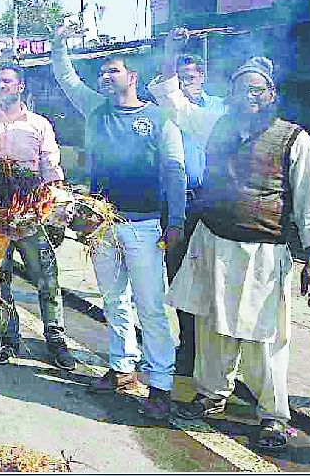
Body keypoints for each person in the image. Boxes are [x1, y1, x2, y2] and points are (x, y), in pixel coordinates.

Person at [150, 56, 310, 452]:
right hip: (212, 243)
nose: (249, 96)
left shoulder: (295, 138)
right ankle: (211, 394)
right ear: (230, 95)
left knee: (265, 335)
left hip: (263, 253)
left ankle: (273, 415)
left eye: (257, 89)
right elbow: (174, 102)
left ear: (271, 94)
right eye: (242, 88)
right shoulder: (215, 126)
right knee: (211, 326)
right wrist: (170, 55)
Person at [51, 24, 185, 421]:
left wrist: (174, 220)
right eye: (103, 72)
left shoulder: (160, 119)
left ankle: (160, 384)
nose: (106, 77)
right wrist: (60, 44)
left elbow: (174, 170)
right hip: (102, 224)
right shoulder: (95, 109)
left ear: (133, 77)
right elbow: (66, 76)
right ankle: (123, 367)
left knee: (151, 307)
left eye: (114, 70)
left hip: (144, 226)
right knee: (113, 299)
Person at [0, 64, 76, 371]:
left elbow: (51, 169)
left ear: (20, 87)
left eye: (7, 81)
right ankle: (8, 339)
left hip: (32, 215)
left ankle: (56, 339)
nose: (1, 86)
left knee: (47, 280)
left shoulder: (39, 124)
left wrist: (56, 213)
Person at [154, 33, 228, 376]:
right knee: (180, 277)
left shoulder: (218, 110)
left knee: (213, 279)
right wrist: (170, 53)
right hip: (174, 204)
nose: (185, 84)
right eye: (179, 79)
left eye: (191, 78)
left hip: (210, 206)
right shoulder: (167, 112)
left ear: (203, 78)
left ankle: (213, 356)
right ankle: (188, 347)